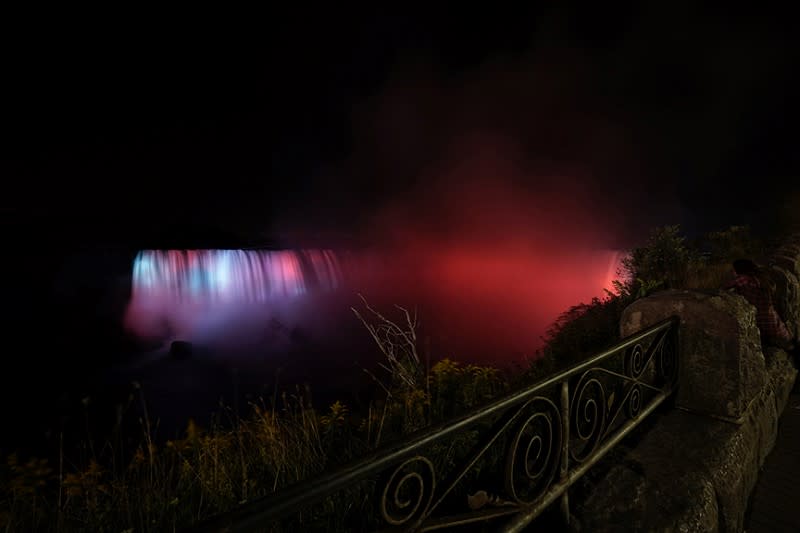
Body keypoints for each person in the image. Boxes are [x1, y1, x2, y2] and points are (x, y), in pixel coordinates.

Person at [724, 258, 796, 351]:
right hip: (776, 327)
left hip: (766, 330)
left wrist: (732, 276)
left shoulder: (743, 280)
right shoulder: (762, 279)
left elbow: (724, 289)